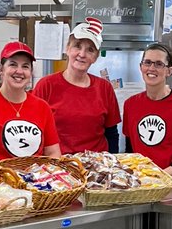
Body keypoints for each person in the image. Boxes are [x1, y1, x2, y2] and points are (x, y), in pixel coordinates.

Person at [0, 41, 61, 177]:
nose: (19, 71)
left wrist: (43, 177)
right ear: (1, 69)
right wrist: (10, 177)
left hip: (35, 187)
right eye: (13, 64)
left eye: (25, 66)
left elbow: (53, 153)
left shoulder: (42, 107)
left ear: (31, 72)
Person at [33, 17, 121, 154]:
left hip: (96, 167)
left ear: (96, 57)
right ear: (67, 48)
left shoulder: (105, 88)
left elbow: (112, 133)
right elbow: (34, 132)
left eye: (90, 50)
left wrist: (114, 164)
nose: (82, 54)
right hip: (58, 166)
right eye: (77, 46)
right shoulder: (46, 86)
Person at [122, 43, 172, 184]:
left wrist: (160, 175)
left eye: (158, 64)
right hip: (141, 185)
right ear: (141, 67)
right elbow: (130, 150)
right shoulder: (130, 104)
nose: (151, 68)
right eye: (147, 62)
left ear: (169, 71)